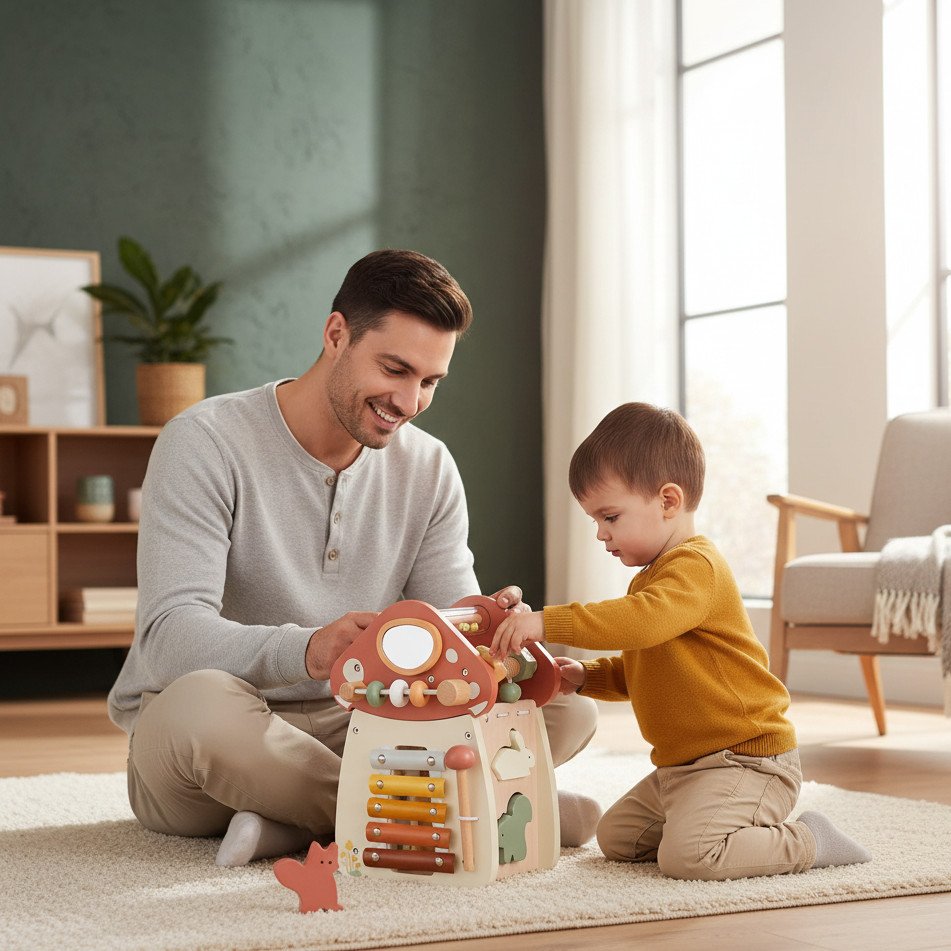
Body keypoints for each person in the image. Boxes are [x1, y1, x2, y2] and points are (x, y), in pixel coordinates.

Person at [107, 249, 600, 866]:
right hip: (227, 736)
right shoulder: (204, 442)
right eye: (395, 369)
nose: (411, 400)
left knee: (563, 704)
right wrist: (310, 648)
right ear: (336, 334)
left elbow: (443, 633)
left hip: (370, 722)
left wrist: (484, 633)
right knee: (199, 705)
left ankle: (297, 825)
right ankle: (469, 807)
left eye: (430, 381)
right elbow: (169, 638)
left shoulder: (428, 467)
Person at [490, 402, 872, 881]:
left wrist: (548, 623)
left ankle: (810, 839)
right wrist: (587, 676)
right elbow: (646, 668)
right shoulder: (651, 581)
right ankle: (705, 819)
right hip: (683, 768)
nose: (599, 534)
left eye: (610, 516)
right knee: (617, 840)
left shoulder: (696, 568)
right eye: (595, 520)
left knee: (690, 858)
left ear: (669, 501)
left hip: (746, 760)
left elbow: (640, 624)